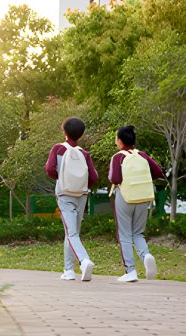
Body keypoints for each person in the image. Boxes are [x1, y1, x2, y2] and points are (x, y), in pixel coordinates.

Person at [108, 126, 164, 282]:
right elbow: (158, 171)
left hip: (125, 197)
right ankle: (146, 256)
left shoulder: (118, 157)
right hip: (143, 197)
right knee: (138, 233)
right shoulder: (143, 155)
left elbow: (115, 179)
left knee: (124, 234)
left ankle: (130, 271)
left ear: (119, 141)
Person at [45, 117, 98, 281]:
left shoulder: (58, 148)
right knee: (73, 232)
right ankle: (69, 270)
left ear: (64, 131)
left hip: (65, 193)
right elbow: (94, 177)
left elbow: (49, 169)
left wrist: (59, 177)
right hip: (81, 194)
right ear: (81, 135)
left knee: (71, 233)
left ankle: (84, 261)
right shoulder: (84, 153)